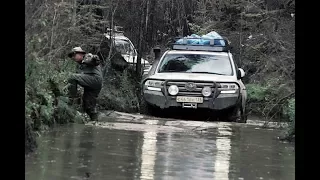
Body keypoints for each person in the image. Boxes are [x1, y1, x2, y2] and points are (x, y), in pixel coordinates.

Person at [67, 47, 103, 121]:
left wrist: (94, 58)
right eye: (72, 56)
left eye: (74, 55)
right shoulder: (80, 64)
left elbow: (95, 60)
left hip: (94, 79)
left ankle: (70, 100)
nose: (73, 58)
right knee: (88, 105)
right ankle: (94, 122)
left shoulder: (87, 57)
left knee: (72, 77)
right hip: (95, 84)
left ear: (81, 54)